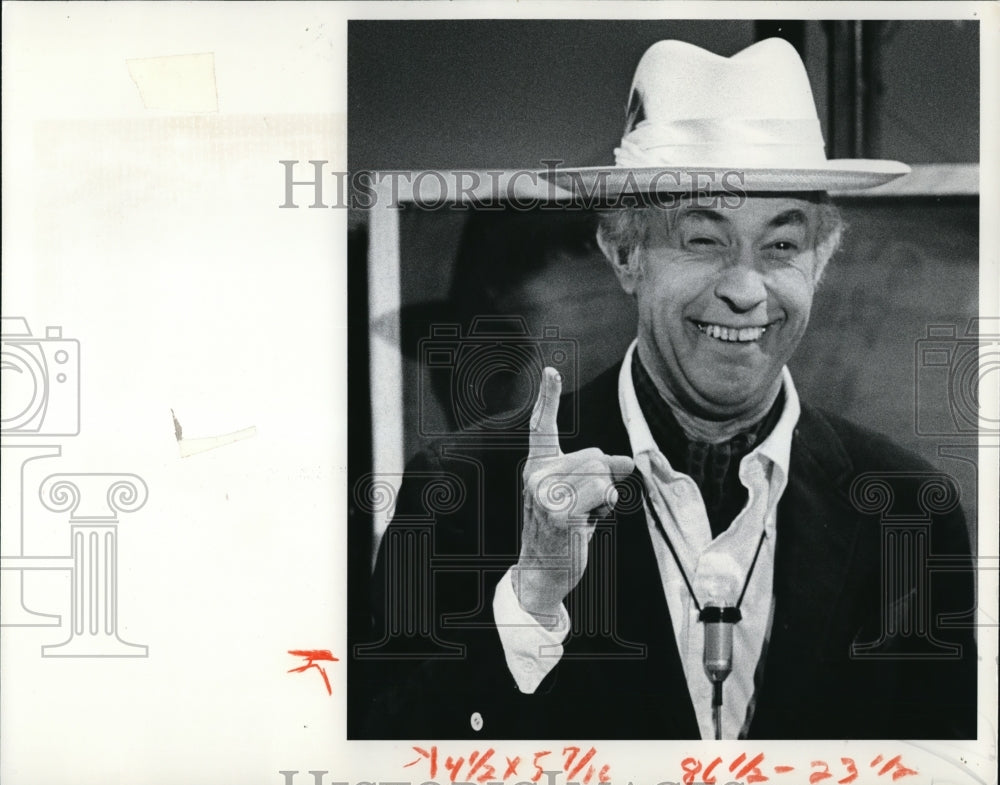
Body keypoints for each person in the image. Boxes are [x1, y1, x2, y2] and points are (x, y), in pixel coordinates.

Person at [355, 37, 977, 740]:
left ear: (822, 258)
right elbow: (385, 751)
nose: (746, 291)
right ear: (624, 254)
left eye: (781, 245)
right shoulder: (463, 487)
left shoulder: (911, 510)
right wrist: (530, 600)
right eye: (703, 240)